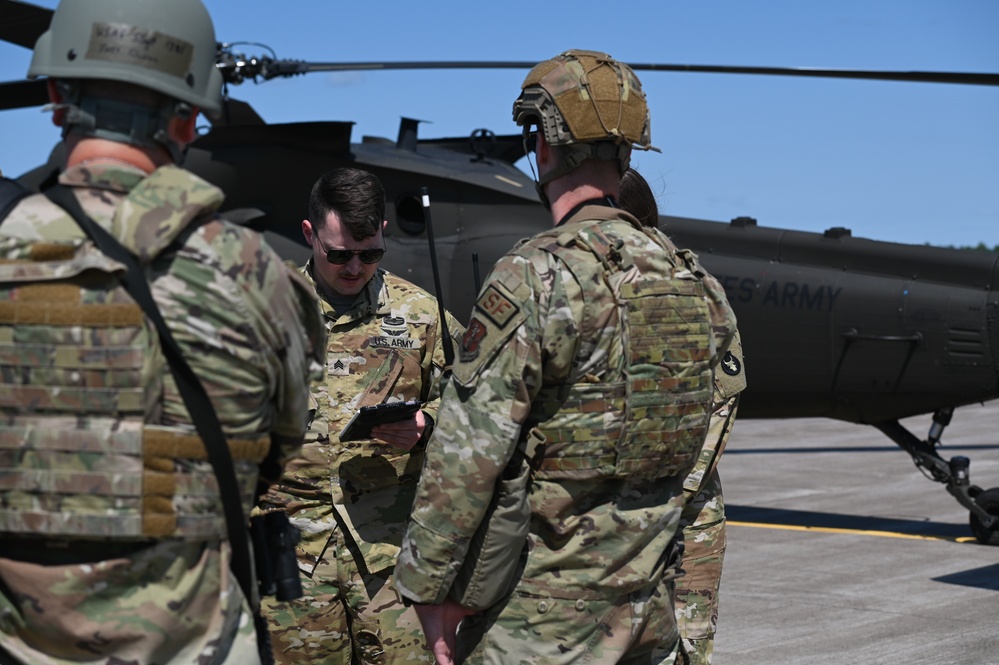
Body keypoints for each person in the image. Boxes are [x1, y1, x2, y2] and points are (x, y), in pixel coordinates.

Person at [0, 1, 325, 663]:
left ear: (57, 95)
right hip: (194, 641)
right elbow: (285, 441)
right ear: (189, 115)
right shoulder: (250, 269)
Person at [395, 49, 737, 665]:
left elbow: (467, 454)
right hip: (648, 615)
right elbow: (699, 454)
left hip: (542, 625)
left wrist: (427, 588)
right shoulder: (696, 283)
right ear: (627, 153)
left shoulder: (535, 276)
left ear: (544, 146)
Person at [257, 167, 465, 665]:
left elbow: (481, 402)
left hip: (390, 557)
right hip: (291, 559)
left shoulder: (421, 315)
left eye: (370, 253)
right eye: (340, 254)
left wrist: (428, 424)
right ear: (310, 235)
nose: (355, 267)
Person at [619, 168, 747, 665]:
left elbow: (721, 404)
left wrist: (658, 505)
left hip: (681, 518)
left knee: (684, 652)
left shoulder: (696, 292)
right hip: (603, 529)